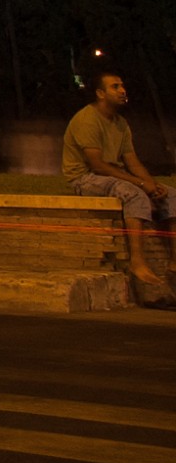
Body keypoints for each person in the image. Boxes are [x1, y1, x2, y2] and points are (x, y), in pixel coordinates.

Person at [64, 69, 174, 304]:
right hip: (85, 178)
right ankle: (137, 262)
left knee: (172, 196)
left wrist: (153, 185)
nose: (123, 90)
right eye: (115, 87)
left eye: (122, 86)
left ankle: (174, 263)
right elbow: (97, 165)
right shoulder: (87, 119)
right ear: (100, 93)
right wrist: (141, 185)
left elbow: (132, 162)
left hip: (113, 176)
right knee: (135, 195)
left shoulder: (121, 123)